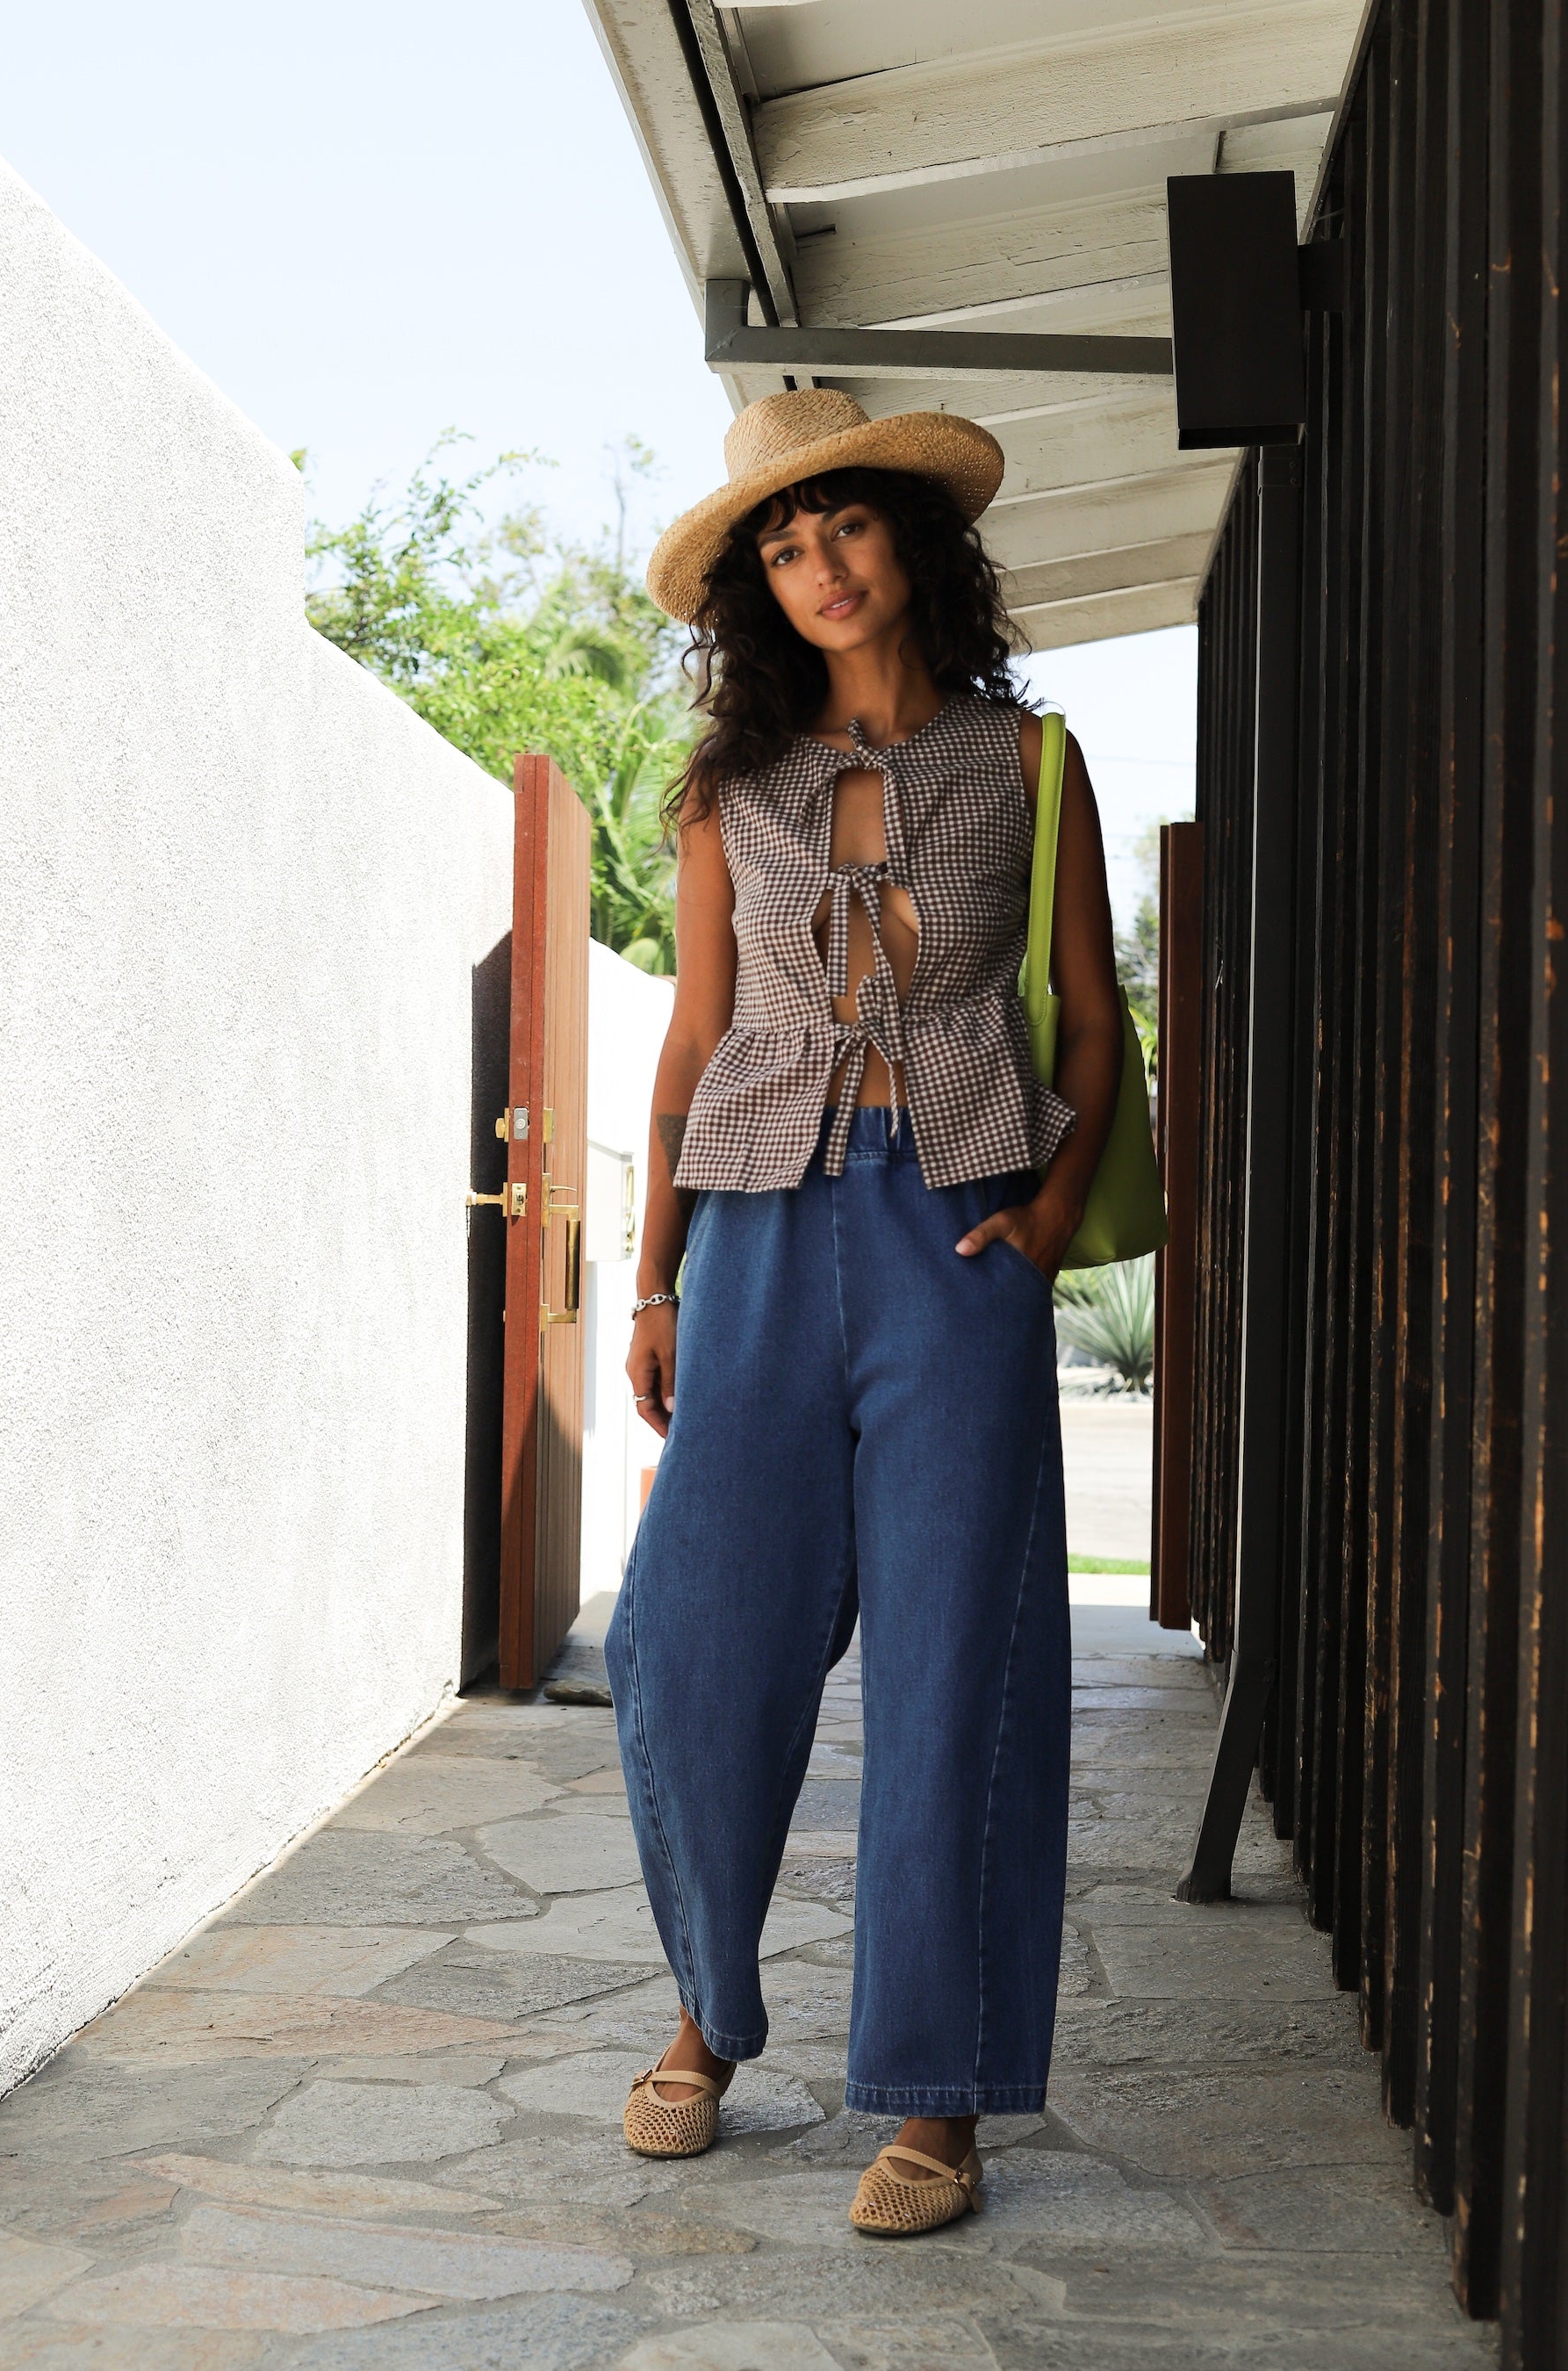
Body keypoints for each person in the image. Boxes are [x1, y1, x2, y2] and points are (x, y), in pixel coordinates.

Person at [604, 387, 1122, 2237]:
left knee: (957, 1669)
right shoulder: (728, 788)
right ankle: (707, 2014)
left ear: (912, 539)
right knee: (689, 1641)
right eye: (782, 545)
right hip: (751, 1240)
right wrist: (654, 1275)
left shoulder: (1030, 760)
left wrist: (1044, 1218)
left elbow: (1093, 1015)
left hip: (957, 1237)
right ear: (759, 583)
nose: (818, 567)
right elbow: (694, 1037)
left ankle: (938, 2097)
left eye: (844, 527)